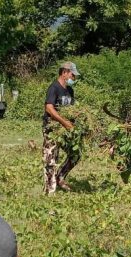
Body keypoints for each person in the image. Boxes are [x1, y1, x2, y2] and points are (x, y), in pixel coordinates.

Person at [43, 61, 80, 193]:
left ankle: (60, 178)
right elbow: (49, 108)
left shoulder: (69, 90)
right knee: (51, 159)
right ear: (64, 73)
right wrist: (64, 122)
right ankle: (49, 192)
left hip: (66, 131)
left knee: (75, 154)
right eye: (72, 75)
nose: (74, 78)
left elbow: (72, 109)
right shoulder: (54, 88)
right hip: (52, 129)